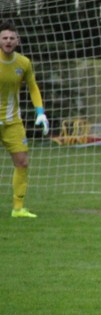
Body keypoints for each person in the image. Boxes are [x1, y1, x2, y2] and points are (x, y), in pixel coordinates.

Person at [0, 20, 49, 218]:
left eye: (12, 38)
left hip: (13, 122)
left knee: (22, 162)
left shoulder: (24, 63)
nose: (8, 41)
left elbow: (33, 87)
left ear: (17, 41)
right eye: (4, 38)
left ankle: (18, 209)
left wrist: (40, 112)